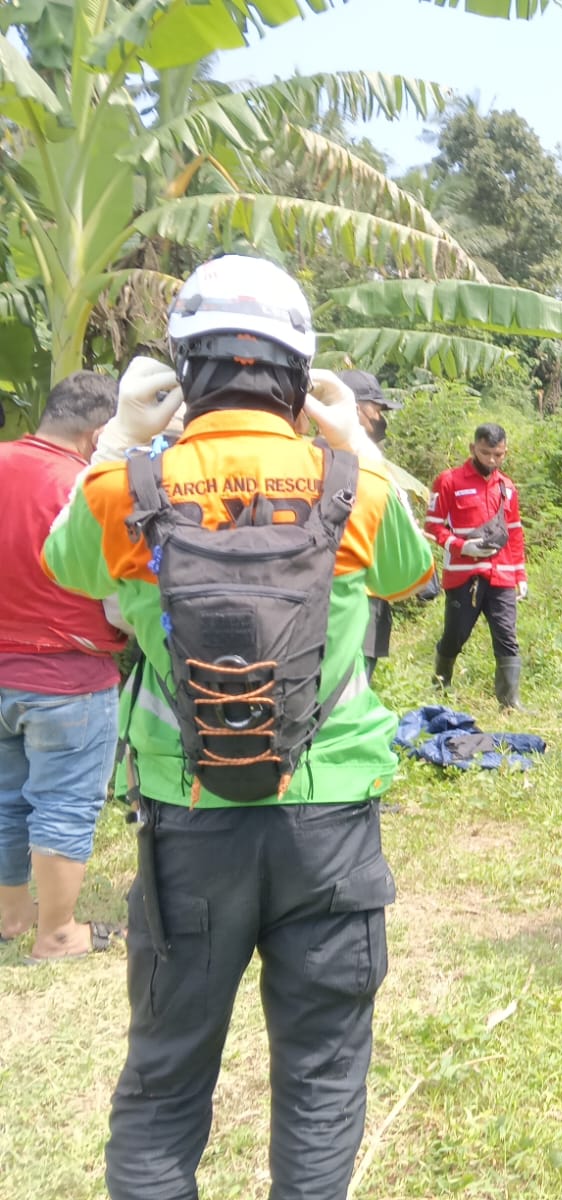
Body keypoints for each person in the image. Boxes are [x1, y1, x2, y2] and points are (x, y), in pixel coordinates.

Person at [41, 254, 435, 1198]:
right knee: (322, 1073)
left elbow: (67, 567)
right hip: (328, 820)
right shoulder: (351, 486)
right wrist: (361, 450)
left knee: (166, 1077)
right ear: (299, 372)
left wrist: (111, 444)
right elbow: (411, 574)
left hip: (189, 818)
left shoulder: (126, 489)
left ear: (187, 367)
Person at [0, 373, 125, 961]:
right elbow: (118, 600)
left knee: (5, 797)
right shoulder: (87, 488)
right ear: (99, 432)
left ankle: (10, 914)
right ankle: (56, 933)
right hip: (69, 675)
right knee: (65, 802)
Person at [426, 423, 528, 710]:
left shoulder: (506, 487)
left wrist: (520, 574)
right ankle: (441, 688)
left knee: (507, 636)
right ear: (473, 449)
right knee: (455, 636)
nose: (492, 460)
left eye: (499, 454)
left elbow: (515, 531)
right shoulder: (449, 481)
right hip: (464, 576)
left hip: (502, 574)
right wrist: (461, 546)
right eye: (486, 453)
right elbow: (433, 528)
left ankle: (510, 702)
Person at [341, 370, 405, 680]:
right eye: (376, 410)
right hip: (359, 584)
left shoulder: (309, 452)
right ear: (354, 409)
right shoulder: (362, 458)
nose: (380, 419)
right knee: (355, 678)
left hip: (336, 589)